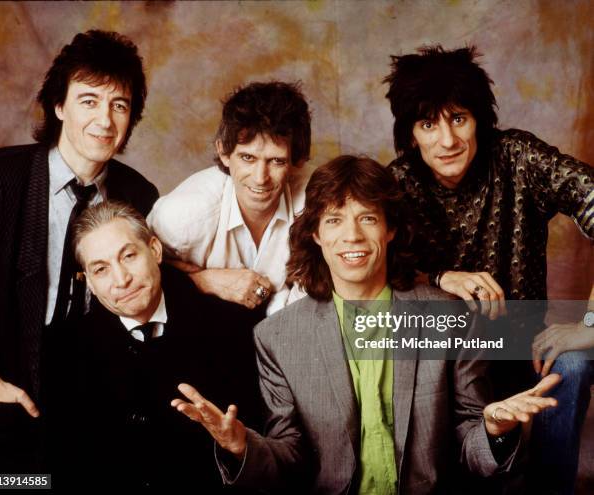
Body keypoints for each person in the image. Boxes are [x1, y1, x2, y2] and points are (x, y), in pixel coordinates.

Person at [171, 156, 560, 494]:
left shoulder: (451, 317)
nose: (352, 236)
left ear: (390, 230)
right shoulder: (278, 337)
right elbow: (289, 459)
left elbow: (469, 445)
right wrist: (242, 447)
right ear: (316, 234)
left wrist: (494, 429)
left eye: (368, 218)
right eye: (335, 220)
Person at [383, 45, 594, 493]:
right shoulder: (396, 184)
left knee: (575, 361)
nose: (447, 139)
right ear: (410, 134)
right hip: (441, 364)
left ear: (479, 118)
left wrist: (592, 322)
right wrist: (439, 277)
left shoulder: (516, 156)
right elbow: (366, 271)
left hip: (523, 347)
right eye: (428, 124)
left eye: (458, 118)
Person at [0, 30, 158, 472]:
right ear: (59, 106)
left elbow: (155, 270)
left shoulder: (139, 193)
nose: (105, 119)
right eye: (89, 100)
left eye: (119, 105)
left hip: (88, 402)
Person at [65, 201, 260, 490]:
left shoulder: (231, 327)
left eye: (129, 256)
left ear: (155, 251)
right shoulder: (65, 348)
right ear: (90, 283)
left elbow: (267, 452)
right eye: (101, 269)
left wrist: (239, 446)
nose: (122, 280)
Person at [147, 81, 311, 315]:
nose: (260, 178)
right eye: (247, 158)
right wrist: (205, 281)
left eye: (276, 161)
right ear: (224, 152)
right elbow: (137, 272)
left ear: (297, 163)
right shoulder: (182, 214)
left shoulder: (312, 207)